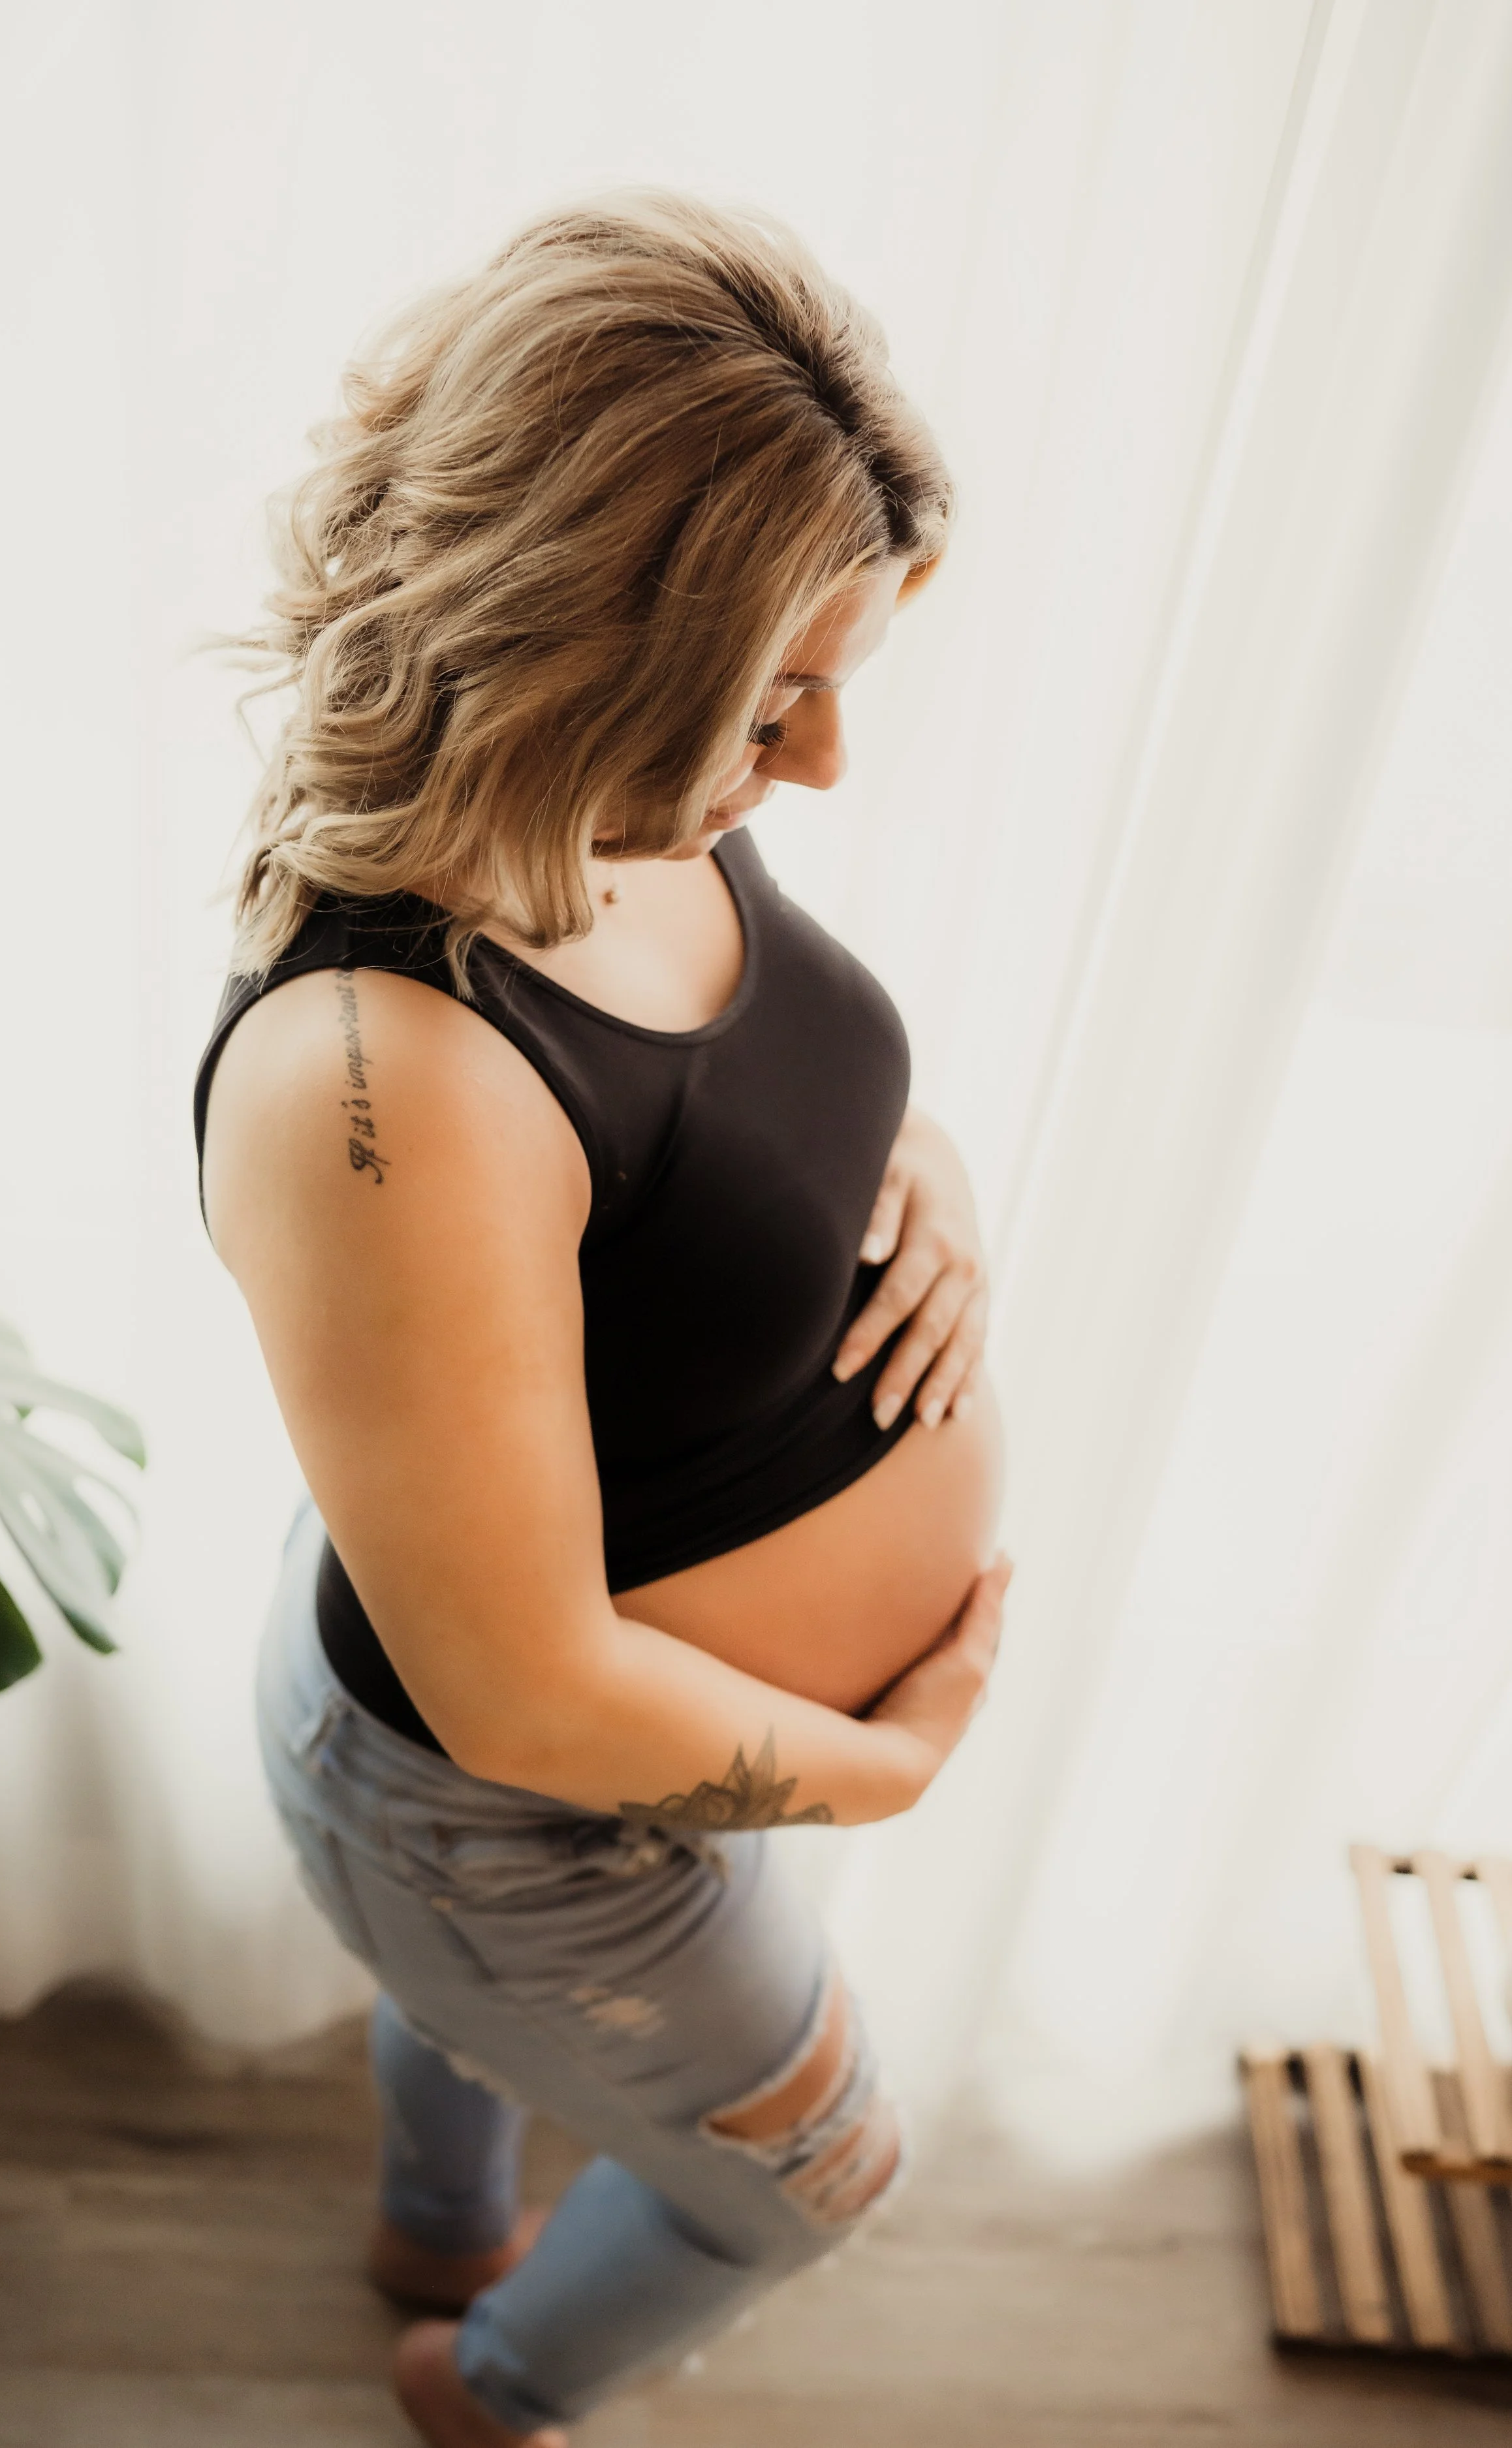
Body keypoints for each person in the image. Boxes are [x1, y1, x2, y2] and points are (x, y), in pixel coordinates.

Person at [194, 189, 1011, 2448]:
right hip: (519, 1812)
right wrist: (889, 1761)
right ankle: (493, 2379)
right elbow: (535, 1693)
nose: (824, 765)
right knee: (820, 2176)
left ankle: (440, 2228)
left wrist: (910, 1171)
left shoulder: (600, 780)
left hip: (599, 1740)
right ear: (579, 634)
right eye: (780, 700)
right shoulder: (384, 1075)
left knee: (459, 2024)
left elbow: (728, 1089)